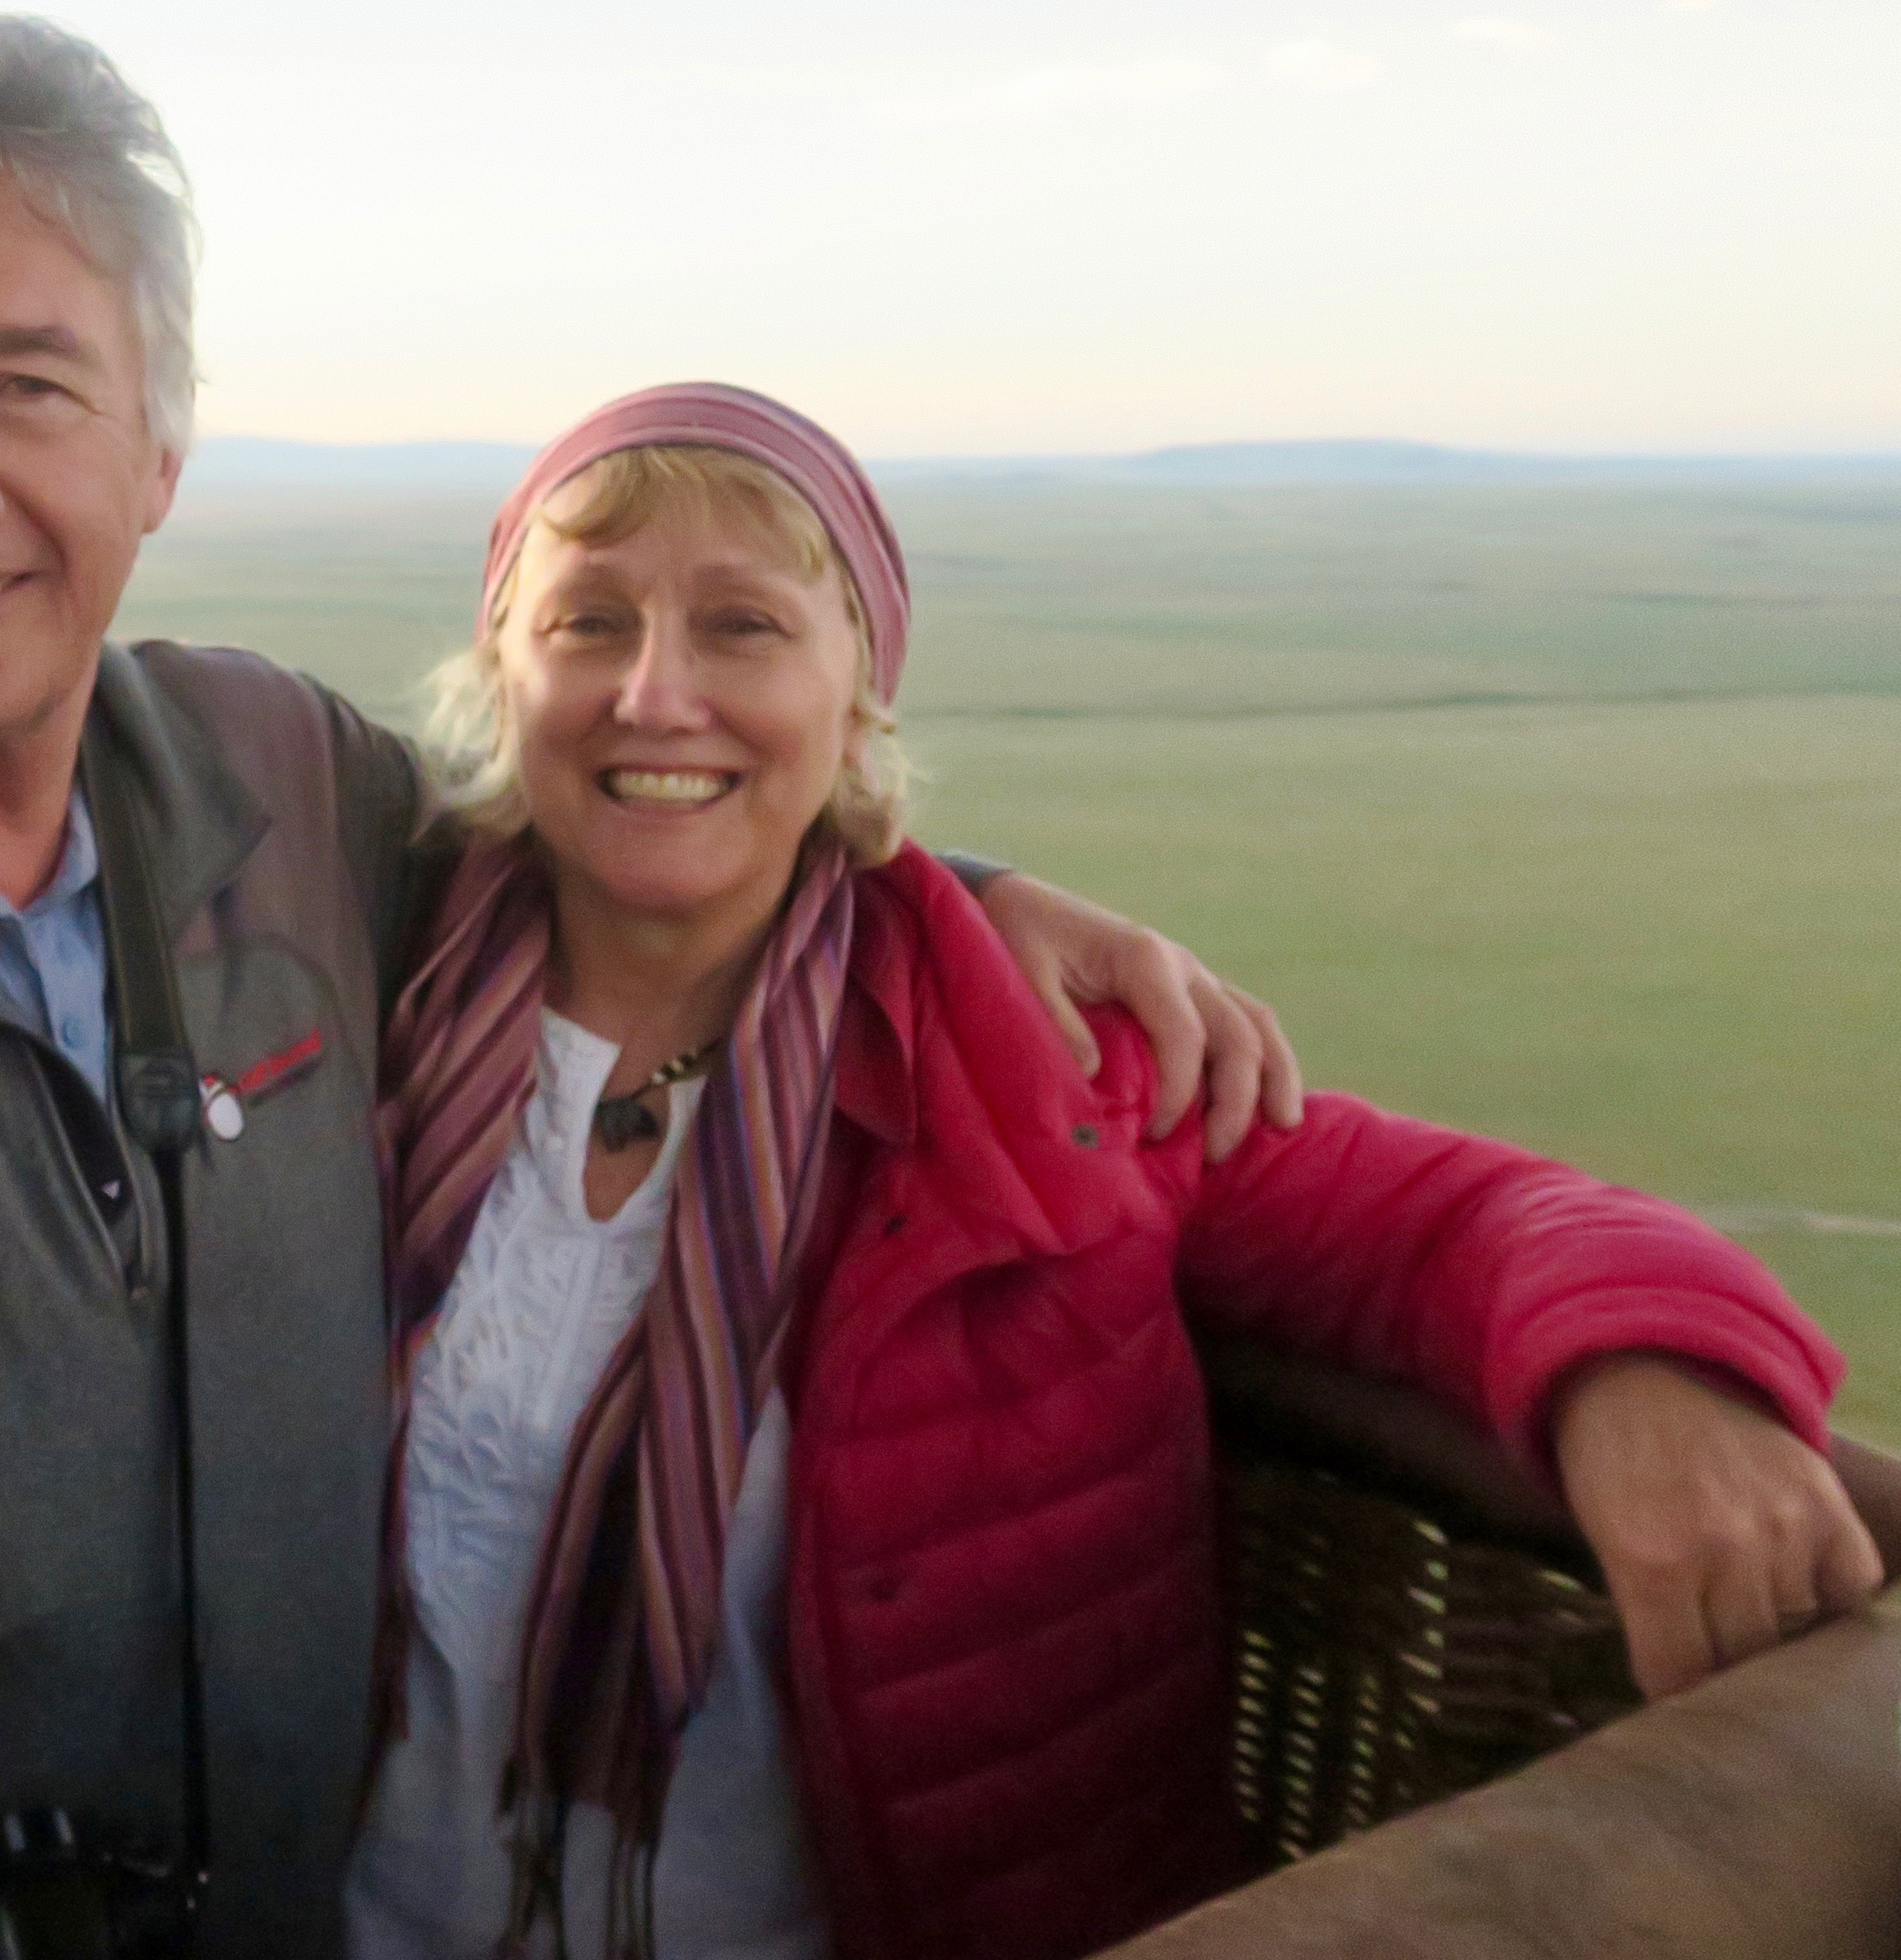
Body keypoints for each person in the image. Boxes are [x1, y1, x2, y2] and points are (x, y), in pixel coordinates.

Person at [0, 18, 1292, 1959]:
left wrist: (951, 893)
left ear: (160, 456)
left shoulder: (282, 784)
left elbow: (640, 837)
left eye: (27, 384)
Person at [350, 384, 1883, 1960]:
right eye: (588, 622)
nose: (655, 693)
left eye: (743, 627)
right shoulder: (336, 1016)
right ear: (501, 674)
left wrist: (1643, 1379)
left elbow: (1454, 1220)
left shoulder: (1043, 1061)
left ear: (859, 699)